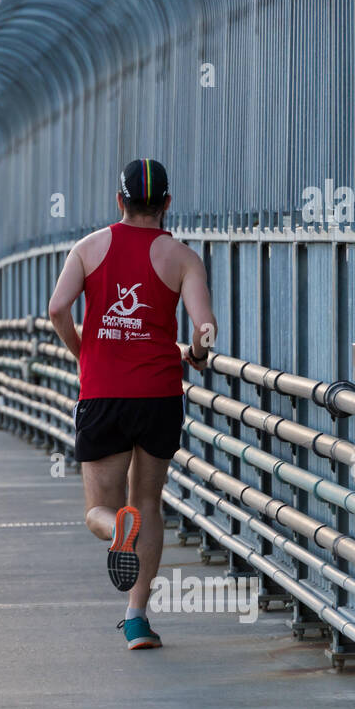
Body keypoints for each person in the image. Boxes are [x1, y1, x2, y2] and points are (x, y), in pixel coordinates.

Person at [47, 158, 217, 649]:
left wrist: (85, 352)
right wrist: (198, 354)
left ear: (119, 201)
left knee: (100, 509)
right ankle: (137, 618)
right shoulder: (183, 257)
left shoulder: (87, 248)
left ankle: (115, 526)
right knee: (149, 502)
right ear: (167, 204)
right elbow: (204, 326)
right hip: (160, 395)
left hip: (103, 394)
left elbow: (58, 309)